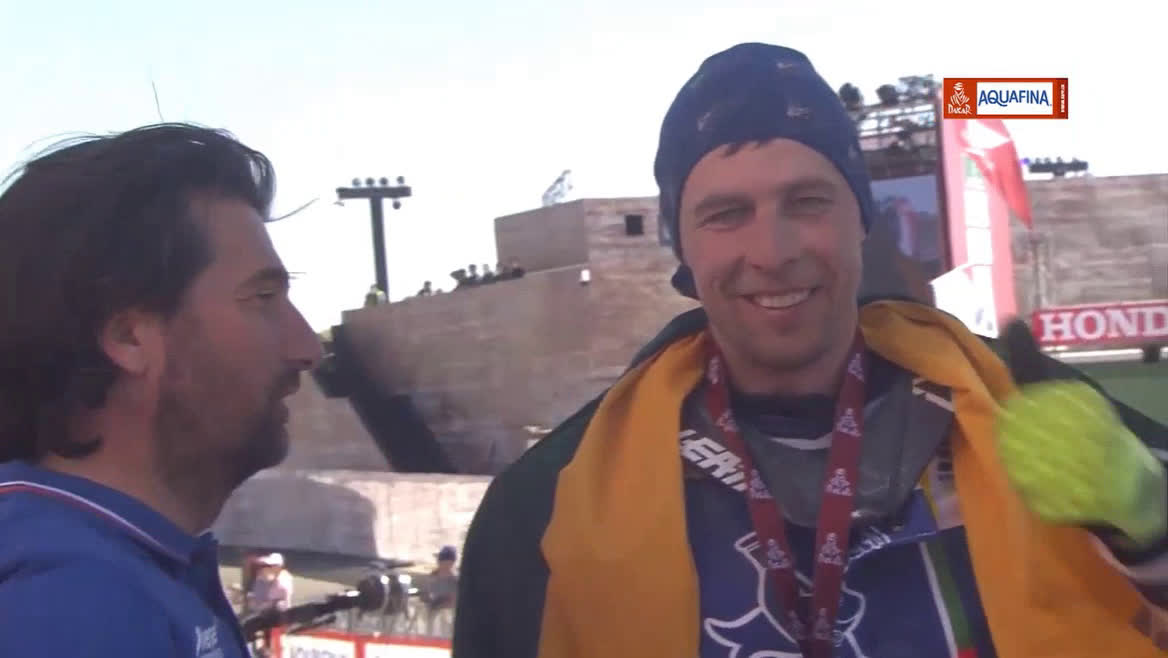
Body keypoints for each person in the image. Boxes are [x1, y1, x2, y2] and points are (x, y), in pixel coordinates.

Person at [453, 44, 1168, 657]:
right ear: (683, 248)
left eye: (807, 202)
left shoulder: (1028, 405)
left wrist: (1152, 530)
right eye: (727, 214)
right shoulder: (544, 505)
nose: (773, 251)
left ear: (862, 218)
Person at [0, 124, 322, 658]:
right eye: (262, 298)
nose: (308, 347)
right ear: (130, 338)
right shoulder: (76, 603)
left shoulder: (113, 567)